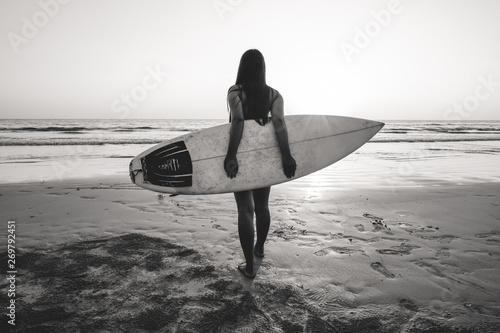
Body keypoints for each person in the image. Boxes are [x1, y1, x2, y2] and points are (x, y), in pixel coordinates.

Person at [224, 49, 296, 279]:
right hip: (264, 156)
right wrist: (286, 155)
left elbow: (237, 121)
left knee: (245, 209)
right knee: (263, 206)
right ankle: (260, 248)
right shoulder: (274, 95)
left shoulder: (235, 92)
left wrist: (231, 155)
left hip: (242, 154)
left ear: (242, 67)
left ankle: (249, 267)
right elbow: (279, 124)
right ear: (263, 68)